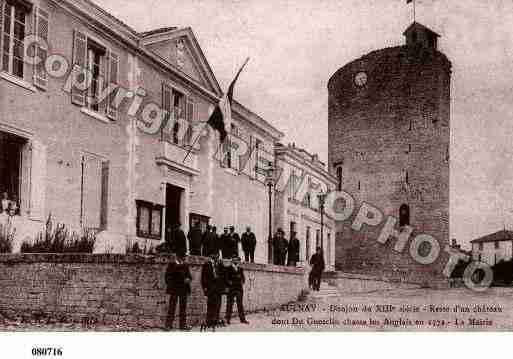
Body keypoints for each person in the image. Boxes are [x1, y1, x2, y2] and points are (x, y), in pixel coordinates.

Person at [164, 252, 192, 330]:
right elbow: (167, 277)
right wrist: (172, 284)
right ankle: (168, 325)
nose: (184, 258)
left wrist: (188, 280)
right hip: (174, 289)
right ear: (178, 257)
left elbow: (189, 276)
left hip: (183, 289)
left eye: (184, 257)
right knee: (172, 308)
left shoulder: (185, 265)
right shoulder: (172, 265)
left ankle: (182, 325)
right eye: (183, 256)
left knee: (183, 308)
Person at [201, 253, 224, 328]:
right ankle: (209, 321)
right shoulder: (206, 264)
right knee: (210, 305)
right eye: (215, 255)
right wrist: (205, 287)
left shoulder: (220, 265)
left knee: (218, 305)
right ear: (211, 256)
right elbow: (203, 277)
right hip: (210, 288)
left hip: (218, 288)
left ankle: (216, 320)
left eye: (218, 255)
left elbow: (223, 276)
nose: (217, 257)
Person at [225, 256, 249, 325]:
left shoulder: (240, 269)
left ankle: (242, 319)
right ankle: (228, 319)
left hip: (239, 289)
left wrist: (242, 281)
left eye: (237, 260)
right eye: (234, 259)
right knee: (229, 304)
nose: (236, 261)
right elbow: (226, 279)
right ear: (232, 260)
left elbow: (243, 278)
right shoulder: (228, 268)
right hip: (231, 289)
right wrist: (230, 283)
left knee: (240, 305)